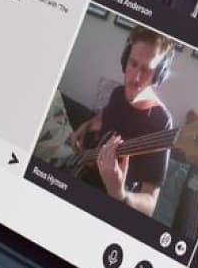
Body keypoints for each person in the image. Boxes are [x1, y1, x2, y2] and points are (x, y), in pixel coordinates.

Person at [73, 28, 189, 217]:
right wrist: (85, 126)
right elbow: (107, 116)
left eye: (146, 70)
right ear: (125, 59)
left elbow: (150, 203)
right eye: (133, 64)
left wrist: (121, 195)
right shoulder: (118, 93)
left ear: (159, 74)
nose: (135, 77)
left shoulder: (161, 122)